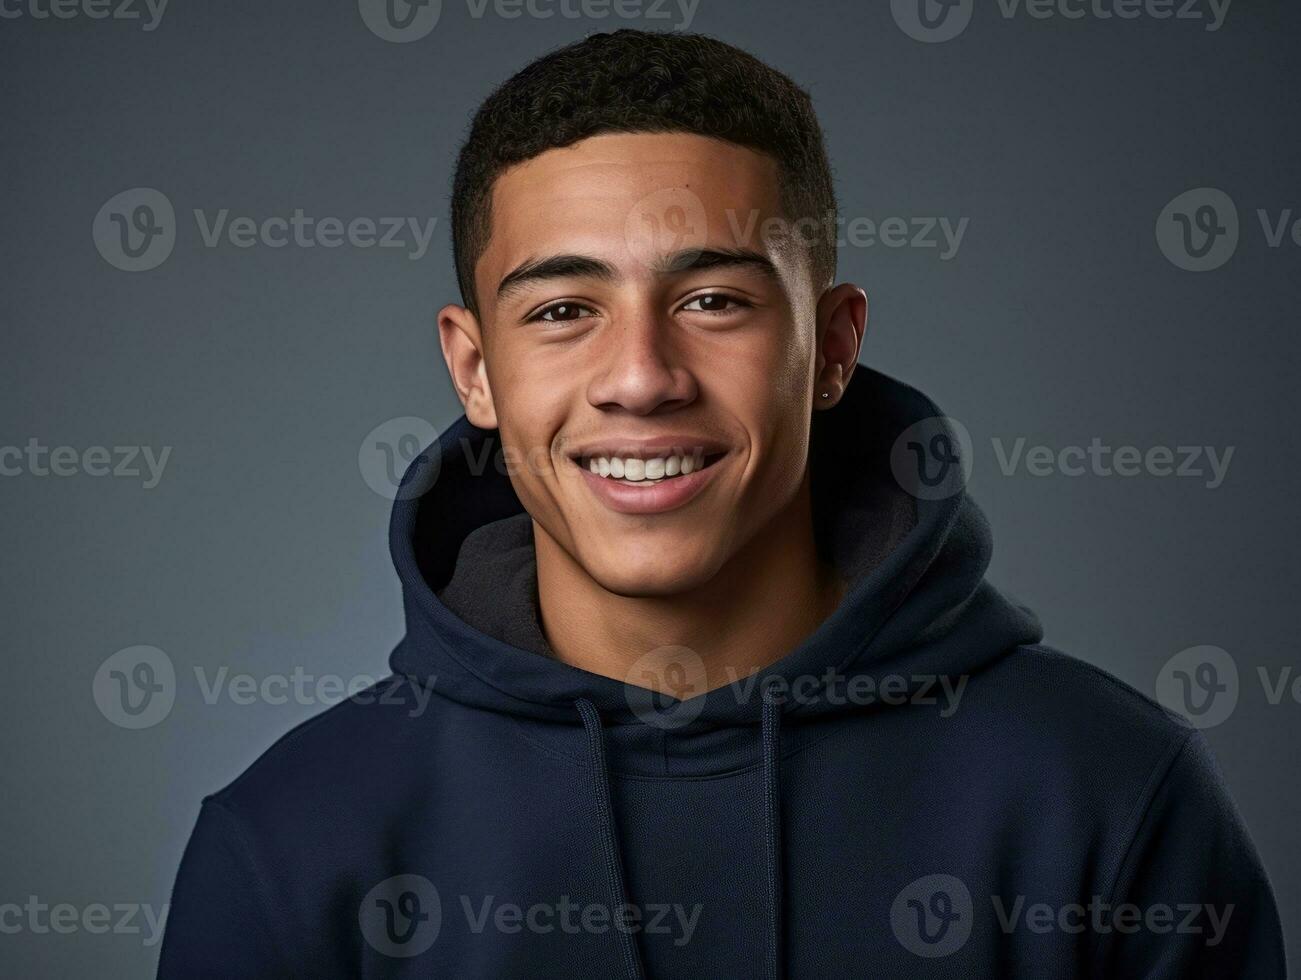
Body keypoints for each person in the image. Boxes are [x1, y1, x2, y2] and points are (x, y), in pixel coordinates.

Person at [157, 29, 1285, 978]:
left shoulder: (1105, 790)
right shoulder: (293, 841)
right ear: (473, 370)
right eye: (560, 310)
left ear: (831, 345)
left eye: (711, 298)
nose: (641, 374)